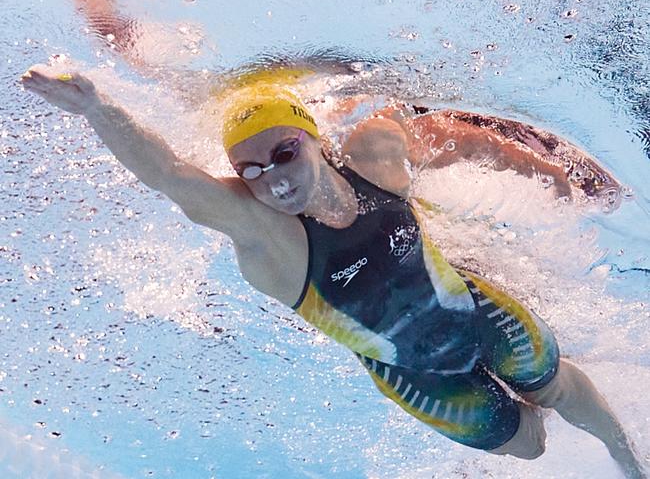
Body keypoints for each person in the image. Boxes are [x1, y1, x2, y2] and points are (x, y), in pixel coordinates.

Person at [20, 62, 645, 478]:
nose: (274, 178)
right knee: (531, 441)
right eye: (251, 172)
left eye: (283, 152)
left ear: (314, 138)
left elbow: (446, 132)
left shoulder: (374, 157)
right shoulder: (274, 244)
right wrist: (96, 106)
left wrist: (552, 170)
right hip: (416, 375)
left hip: (477, 312)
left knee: (555, 383)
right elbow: (170, 176)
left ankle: (630, 462)